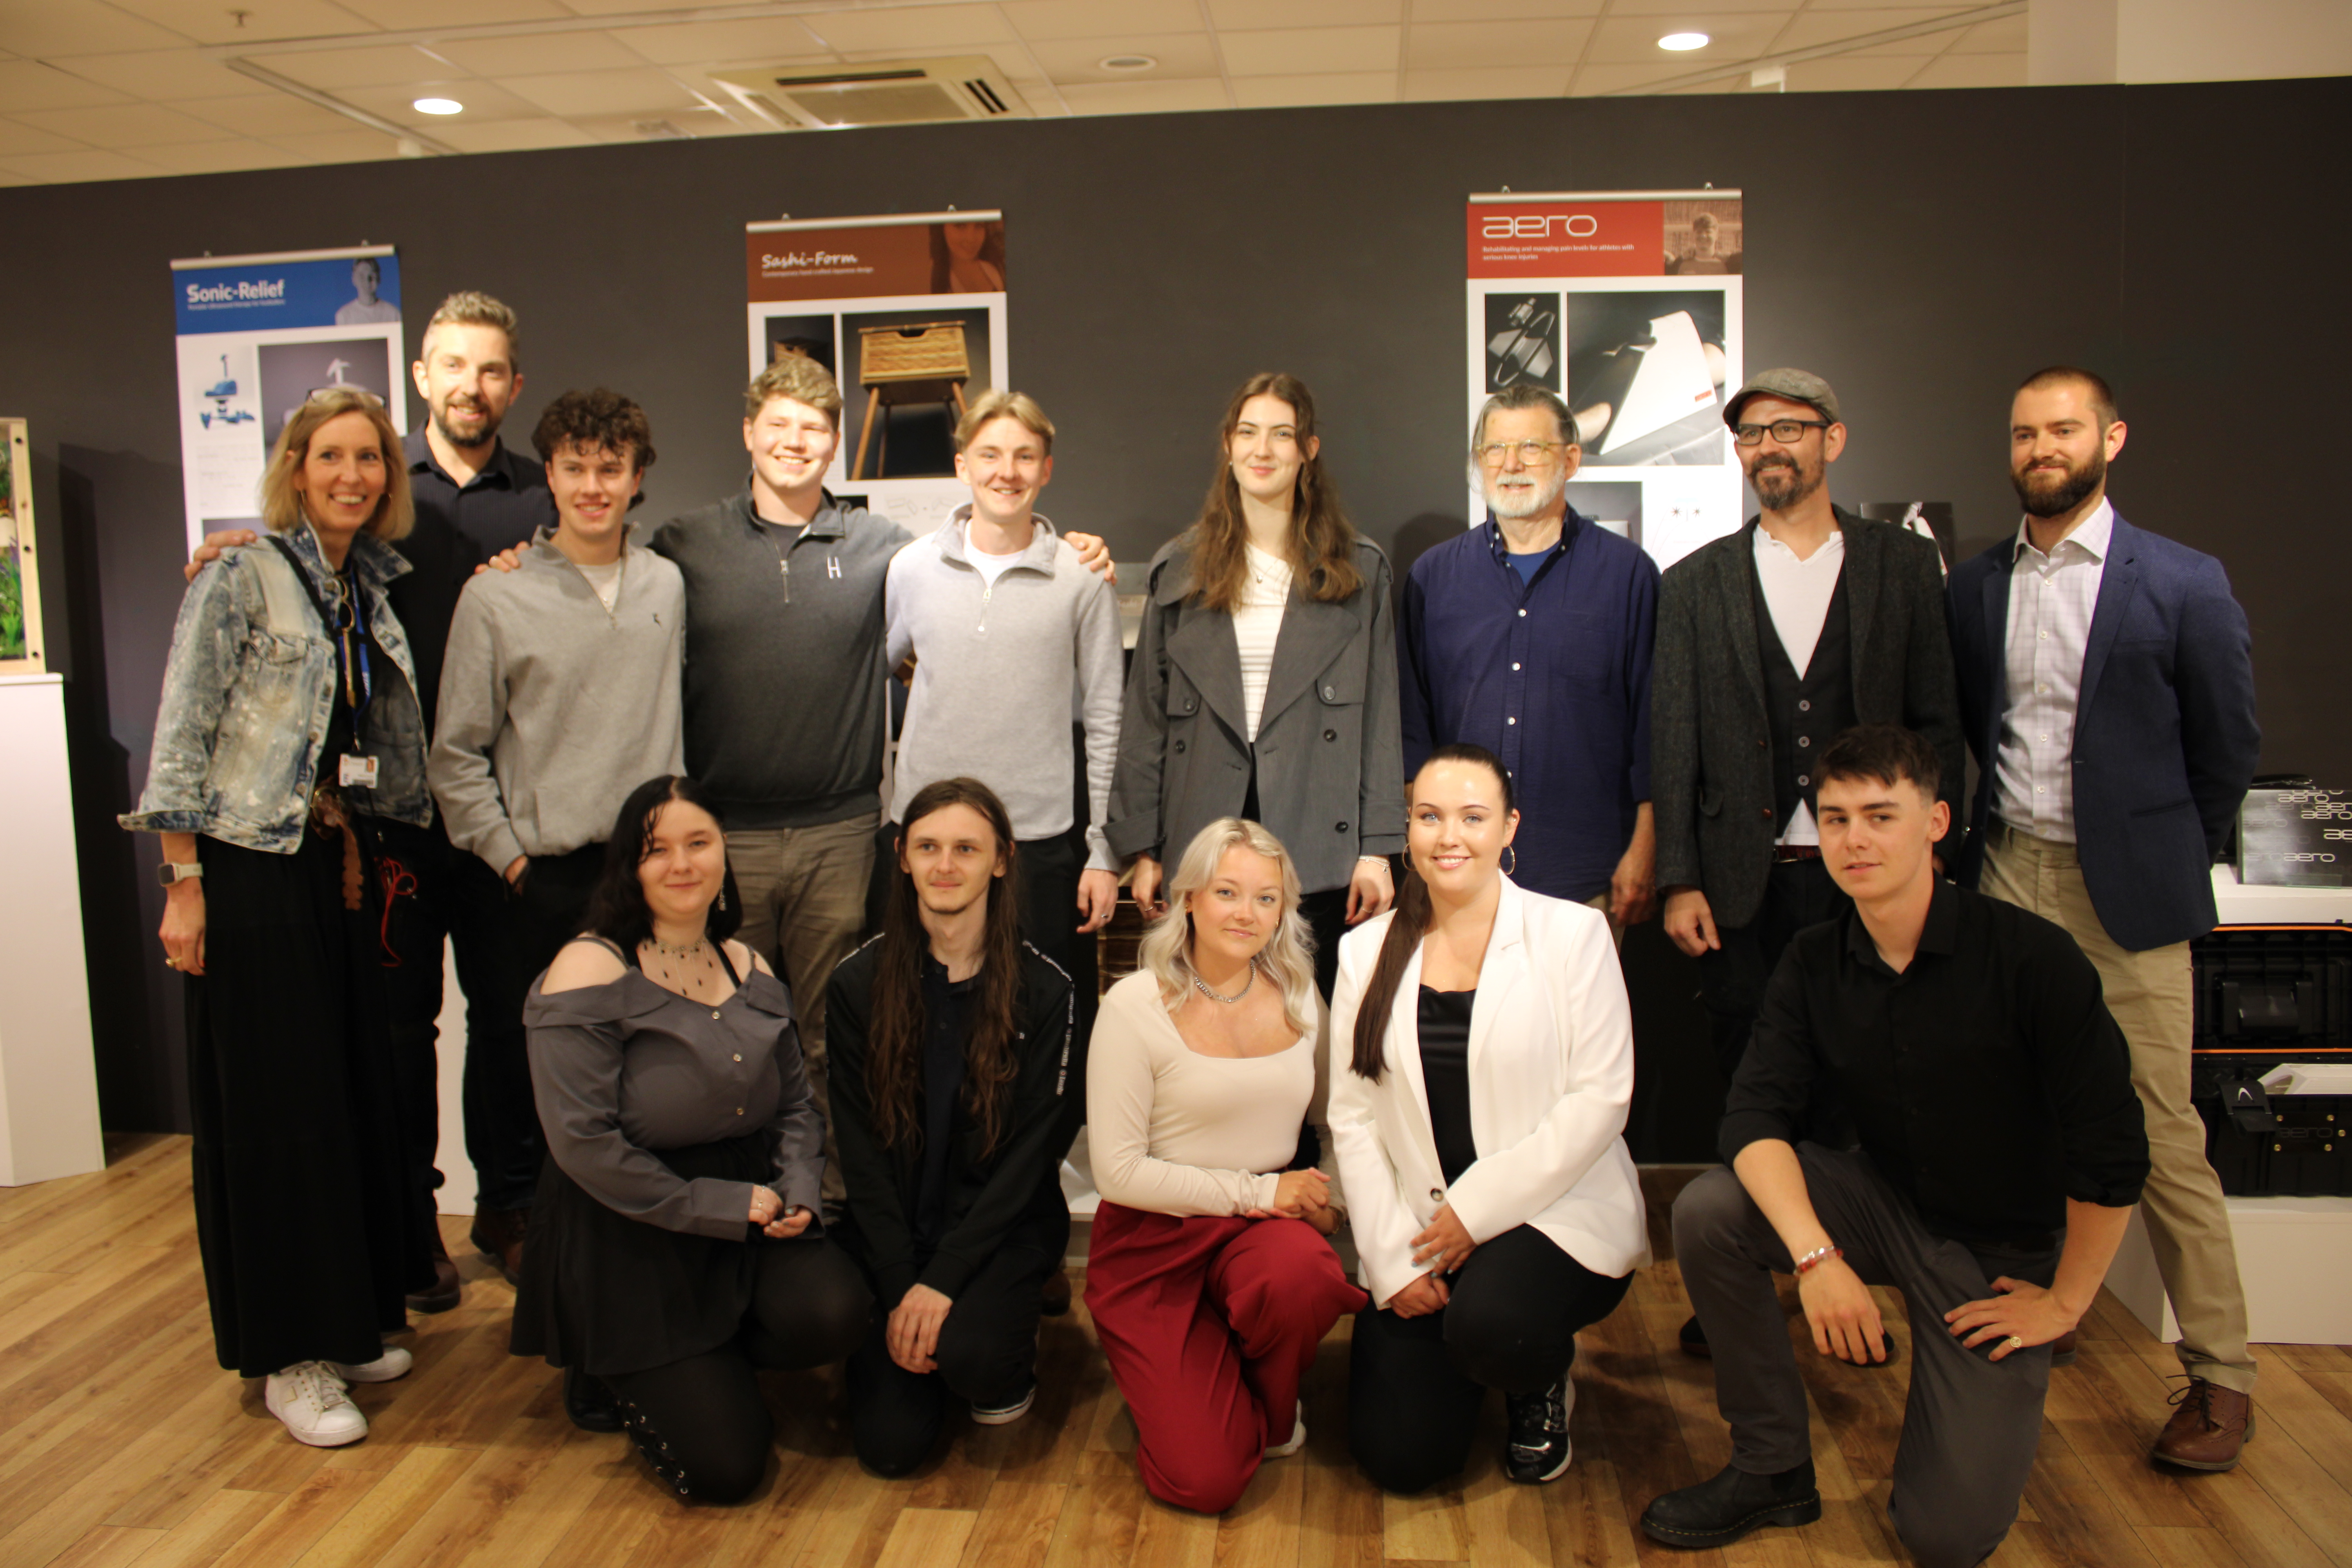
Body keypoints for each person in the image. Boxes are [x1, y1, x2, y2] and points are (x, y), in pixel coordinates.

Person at [1642, 725, 2149, 1565]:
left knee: (1943, 1535)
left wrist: (2066, 1302)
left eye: (1880, 815)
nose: (1854, 839)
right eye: (1835, 819)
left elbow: (2113, 1149)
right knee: (1710, 1208)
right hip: (1880, 1202)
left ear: (1937, 820)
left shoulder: (2033, 959)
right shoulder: (1814, 960)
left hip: (1996, 1254)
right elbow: (1753, 1118)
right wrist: (1816, 1258)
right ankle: (1772, 1466)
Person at [642, 358, 1114, 1207]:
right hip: (785, 833)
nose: (796, 443)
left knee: (883, 1035)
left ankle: (874, 1206)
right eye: (779, 425)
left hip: (905, 834)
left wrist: (1080, 548)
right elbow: (891, 659)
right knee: (753, 1029)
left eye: (815, 429)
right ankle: (740, 1207)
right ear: (748, 432)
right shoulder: (696, 545)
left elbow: (1089, 707)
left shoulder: (894, 550)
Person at [185, 291, 557, 1309]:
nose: (471, 385)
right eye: (452, 366)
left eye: (491, 370)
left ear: (512, 386)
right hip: (386, 816)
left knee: (510, 1021)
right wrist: (236, 549)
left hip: (496, 810)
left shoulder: (544, 503)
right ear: (422, 379)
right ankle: (410, 1217)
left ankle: (509, 1207)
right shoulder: (390, 495)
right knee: (397, 1030)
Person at [1949, 366, 2262, 1468]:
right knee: (2013, 1107)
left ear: (2112, 439)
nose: (2042, 446)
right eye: (2025, 431)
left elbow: (2227, 756)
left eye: (2064, 429)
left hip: (2123, 891)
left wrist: (2153, 846)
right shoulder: (1980, 586)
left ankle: (2221, 1378)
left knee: (2163, 1135)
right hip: (2005, 873)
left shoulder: (2182, 582)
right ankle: (2044, 1301)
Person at [122, 387, 432, 1447]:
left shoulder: (365, 587)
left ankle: (342, 1323)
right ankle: (285, 1357)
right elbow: (185, 726)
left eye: (371, 460)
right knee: (271, 1115)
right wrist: (182, 879)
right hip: (248, 869)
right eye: (332, 456)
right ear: (296, 467)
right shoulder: (243, 576)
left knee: (343, 1098)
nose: (354, 476)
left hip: (334, 865)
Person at [1652, 368, 1962, 1357]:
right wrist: (1682, 876)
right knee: (1751, 1075)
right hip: (1742, 882)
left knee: (1869, 1074)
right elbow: (1676, 741)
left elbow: (1936, 722)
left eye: (1788, 428)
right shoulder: (1692, 582)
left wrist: (1929, 859)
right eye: (1749, 435)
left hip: (1866, 875)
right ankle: (1746, 1277)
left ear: (1834, 438)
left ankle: (1854, 1269)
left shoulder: (1902, 569)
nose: (1768, 447)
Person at [512, 775, 872, 1503]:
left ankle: (705, 1361)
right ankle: (615, 1362)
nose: (682, 864)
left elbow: (797, 1108)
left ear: (723, 854)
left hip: (744, 1213)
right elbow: (582, 1144)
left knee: (842, 1312)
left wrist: (799, 1189)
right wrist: (709, 1204)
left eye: (698, 843)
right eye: (656, 850)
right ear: (628, 865)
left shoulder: (749, 964)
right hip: (629, 1228)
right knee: (728, 1474)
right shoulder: (590, 967)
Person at [1329, 744, 1647, 1490]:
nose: (1450, 837)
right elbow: (1351, 1118)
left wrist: (1475, 1212)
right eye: (1430, 817)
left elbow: (1602, 1098)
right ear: (1406, 829)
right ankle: (1467, 1359)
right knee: (1403, 1461)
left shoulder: (1573, 936)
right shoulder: (1364, 952)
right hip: (1422, 1230)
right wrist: (1386, 1258)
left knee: (1492, 1326)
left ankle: (1537, 1376)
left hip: (1551, 1217)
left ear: (1510, 828)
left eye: (1473, 817)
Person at [426, 389, 685, 1204]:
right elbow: (456, 753)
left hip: (641, 871)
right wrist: (509, 864)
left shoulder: (666, 584)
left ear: (638, 477)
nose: (593, 486)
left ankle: (616, 1219)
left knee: (638, 1054)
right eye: (574, 467)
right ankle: (511, 1214)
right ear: (551, 476)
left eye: (611, 468)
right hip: (535, 875)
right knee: (519, 1052)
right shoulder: (495, 596)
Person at [1085, 817, 1366, 1512]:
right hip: (1155, 1244)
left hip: (1261, 1241)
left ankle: (1271, 1404)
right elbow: (1118, 1174)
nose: (1247, 914)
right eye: (1227, 892)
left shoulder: (1301, 997)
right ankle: (1198, 1373)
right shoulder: (1133, 1006)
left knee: (1300, 1274)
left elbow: (1341, 1121)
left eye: (1267, 899)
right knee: (1204, 1482)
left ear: (1284, 911)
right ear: (1188, 900)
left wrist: (1336, 1205)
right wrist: (1265, 1191)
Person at [1108, 372, 1403, 998]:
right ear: (1228, 445)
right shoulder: (1179, 568)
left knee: (1311, 1023)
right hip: (1203, 826)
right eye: (1248, 433)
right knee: (1200, 1019)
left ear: (1308, 451)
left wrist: (1379, 848)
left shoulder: (1359, 570)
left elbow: (1381, 720)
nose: (1262, 450)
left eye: (1281, 435)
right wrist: (1142, 847)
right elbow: (1146, 721)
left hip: (1317, 833)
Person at [826, 778, 1077, 1475]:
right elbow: (861, 1156)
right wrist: (905, 1280)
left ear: (1001, 860)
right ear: (902, 857)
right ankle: (916, 1346)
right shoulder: (856, 985)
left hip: (999, 1230)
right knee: (890, 1449)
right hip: (894, 1235)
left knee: (973, 1359)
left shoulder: (1047, 989)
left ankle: (998, 1358)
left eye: (967, 848)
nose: (946, 865)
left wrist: (943, 1282)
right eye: (929, 847)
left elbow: (1030, 1162)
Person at [1398, 385, 1658, 936]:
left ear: (1570, 459)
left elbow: (1654, 728)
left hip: (1587, 876)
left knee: (1577, 1026)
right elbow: (1411, 727)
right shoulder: (1433, 578)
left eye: (1531, 449)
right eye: (1495, 450)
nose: (1511, 465)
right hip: (1459, 874)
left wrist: (1647, 847)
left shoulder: (1628, 575)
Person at [883, 390, 1122, 980]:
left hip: (1035, 841)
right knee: (921, 1007)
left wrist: (1103, 850)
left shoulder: (1082, 578)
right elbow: (868, 686)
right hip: (928, 835)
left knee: (1037, 1015)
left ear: (1046, 468)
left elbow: (1107, 718)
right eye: (989, 455)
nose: (1006, 472)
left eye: (1024, 456)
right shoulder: (911, 568)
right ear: (962, 465)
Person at [336, 256, 399, 325]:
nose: (367, 281)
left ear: (379, 279)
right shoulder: (344, 316)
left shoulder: (393, 314)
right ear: (354, 280)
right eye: (362, 276)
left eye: (372, 276)